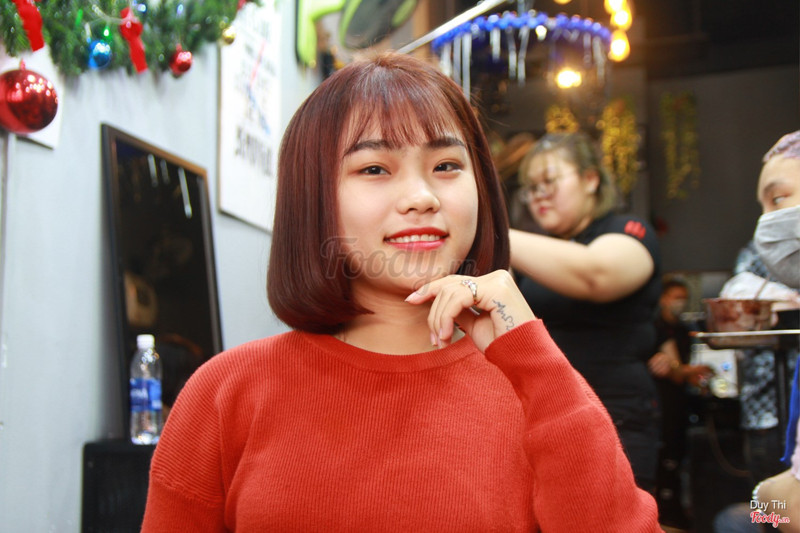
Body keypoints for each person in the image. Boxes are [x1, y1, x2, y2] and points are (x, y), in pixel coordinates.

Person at [140, 54, 660, 531]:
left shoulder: (536, 391)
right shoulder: (225, 393)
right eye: (374, 169)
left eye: (447, 166)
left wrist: (537, 365)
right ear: (313, 197)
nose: (421, 197)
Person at [509, 132, 662, 493]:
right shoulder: (537, 253)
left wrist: (496, 233)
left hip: (616, 415)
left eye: (549, 181)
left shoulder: (627, 230)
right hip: (548, 417)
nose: (538, 195)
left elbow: (597, 274)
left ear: (590, 179)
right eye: (531, 188)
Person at [713, 131, 800, 533]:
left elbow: (792, 508)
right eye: (762, 206)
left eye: (778, 199)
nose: (767, 220)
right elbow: (736, 292)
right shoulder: (757, 251)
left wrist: (765, 499)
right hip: (765, 412)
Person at [647, 277, 713, 529]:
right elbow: (672, 370)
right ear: (663, 298)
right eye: (676, 297)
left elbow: (678, 368)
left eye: (683, 298)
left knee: (677, 459)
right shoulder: (655, 328)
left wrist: (691, 375)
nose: (680, 303)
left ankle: (675, 515)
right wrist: (689, 371)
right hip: (661, 404)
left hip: (680, 403)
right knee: (664, 462)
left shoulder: (684, 330)